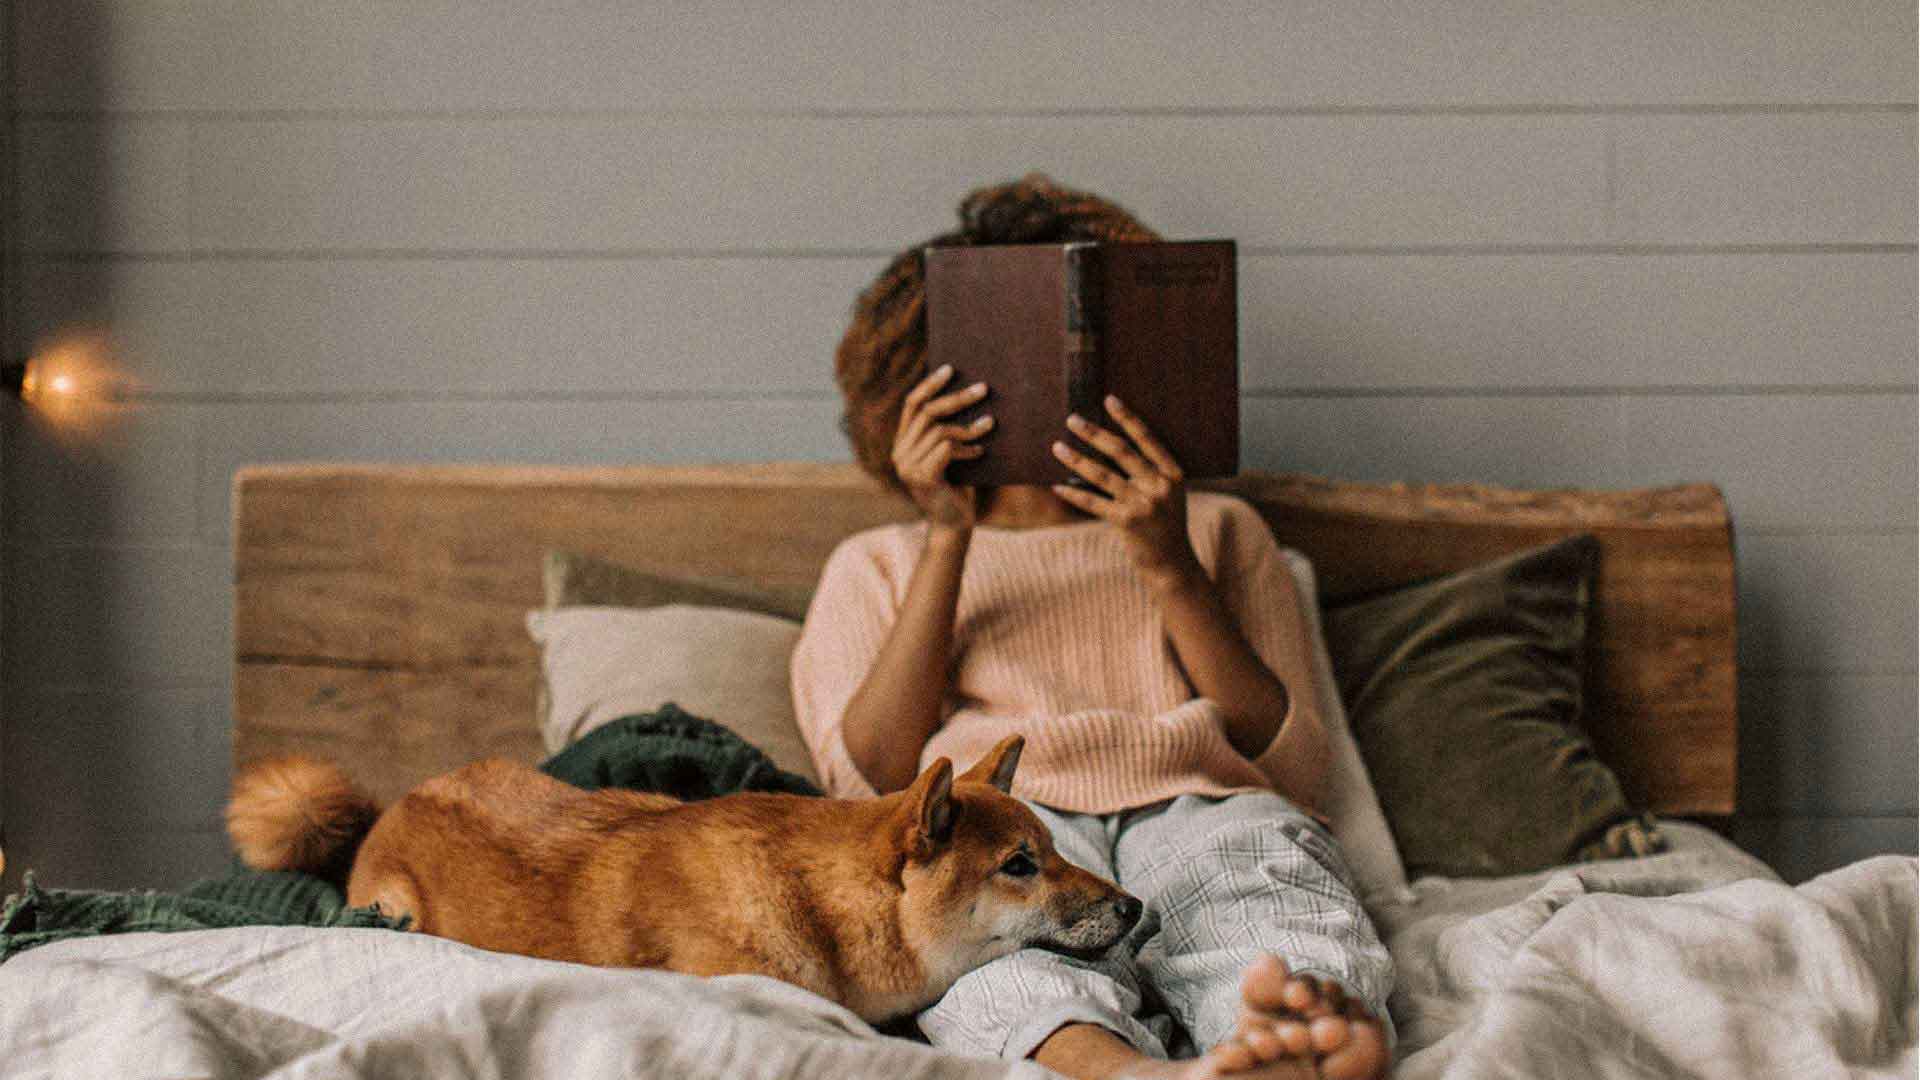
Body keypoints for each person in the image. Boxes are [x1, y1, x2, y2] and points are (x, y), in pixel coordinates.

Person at [791, 174, 1393, 1080]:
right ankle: (1116, 1069)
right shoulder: (878, 561)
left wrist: (1163, 556)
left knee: (1261, 889)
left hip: (1197, 802)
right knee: (974, 960)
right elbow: (872, 779)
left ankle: (1296, 1038)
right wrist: (948, 535)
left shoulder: (1218, 530)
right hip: (1004, 833)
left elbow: (1295, 766)